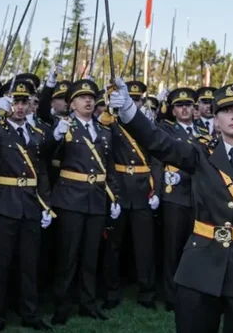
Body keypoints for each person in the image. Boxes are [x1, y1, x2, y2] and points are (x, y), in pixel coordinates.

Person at [110, 79, 233, 333]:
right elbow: (158, 142)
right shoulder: (199, 153)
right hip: (199, 266)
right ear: (216, 119)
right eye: (226, 110)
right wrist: (128, 110)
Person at [0, 79, 55, 332]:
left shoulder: (37, 134)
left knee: (29, 263)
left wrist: (46, 204)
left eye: (24, 102)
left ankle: (30, 313)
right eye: (15, 101)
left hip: (30, 204)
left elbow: (42, 171)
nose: (20, 107)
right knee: (0, 263)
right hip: (4, 203)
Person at [49, 78, 121, 325]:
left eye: (91, 97)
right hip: (70, 198)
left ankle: (87, 303)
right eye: (81, 97)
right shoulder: (64, 128)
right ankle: (62, 305)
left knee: (91, 256)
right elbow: (45, 155)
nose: (88, 100)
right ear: (71, 104)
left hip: (96, 199)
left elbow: (109, 167)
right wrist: (55, 137)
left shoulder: (103, 130)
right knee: (68, 256)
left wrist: (115, 196)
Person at [103, 80, 159, 310]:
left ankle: (147, 293)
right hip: (120, 187)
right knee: (113, 245)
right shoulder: (112, 123)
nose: (133, 103)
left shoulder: (146, 125)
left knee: (145, 246)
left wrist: (156, 190)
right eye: (130, 99)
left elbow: (157, 157)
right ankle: (111, 291)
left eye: (137, 100)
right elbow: (105, 156)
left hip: (143, 189)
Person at [157, 87, 200, 312]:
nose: (185, 109)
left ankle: (191, 292)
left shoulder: (203, 130)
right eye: (180, 105)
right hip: (175, 194)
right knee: (173, 248)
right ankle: (171, 295)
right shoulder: (167, 130)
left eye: (189, 105)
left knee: (195, 249)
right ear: (173, 110)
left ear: (194, 109)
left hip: (199, 196)